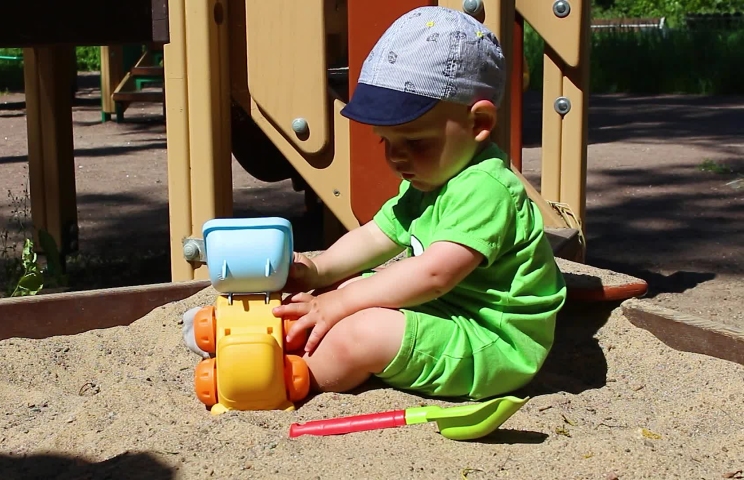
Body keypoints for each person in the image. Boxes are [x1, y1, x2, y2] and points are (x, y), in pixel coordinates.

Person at [184, 6, 567, 401]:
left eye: (415, 142)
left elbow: (434, 275)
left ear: (478, 123)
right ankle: (258, 335)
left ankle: (285, 374)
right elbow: (377, 234)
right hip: (446, 311)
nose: (397, 158)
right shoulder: (432, 179)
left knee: (361, 329)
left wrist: (340, 302)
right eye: (387, 142)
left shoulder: (486, 190)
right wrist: (320, 270)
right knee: (346, 286)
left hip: (490, 343)